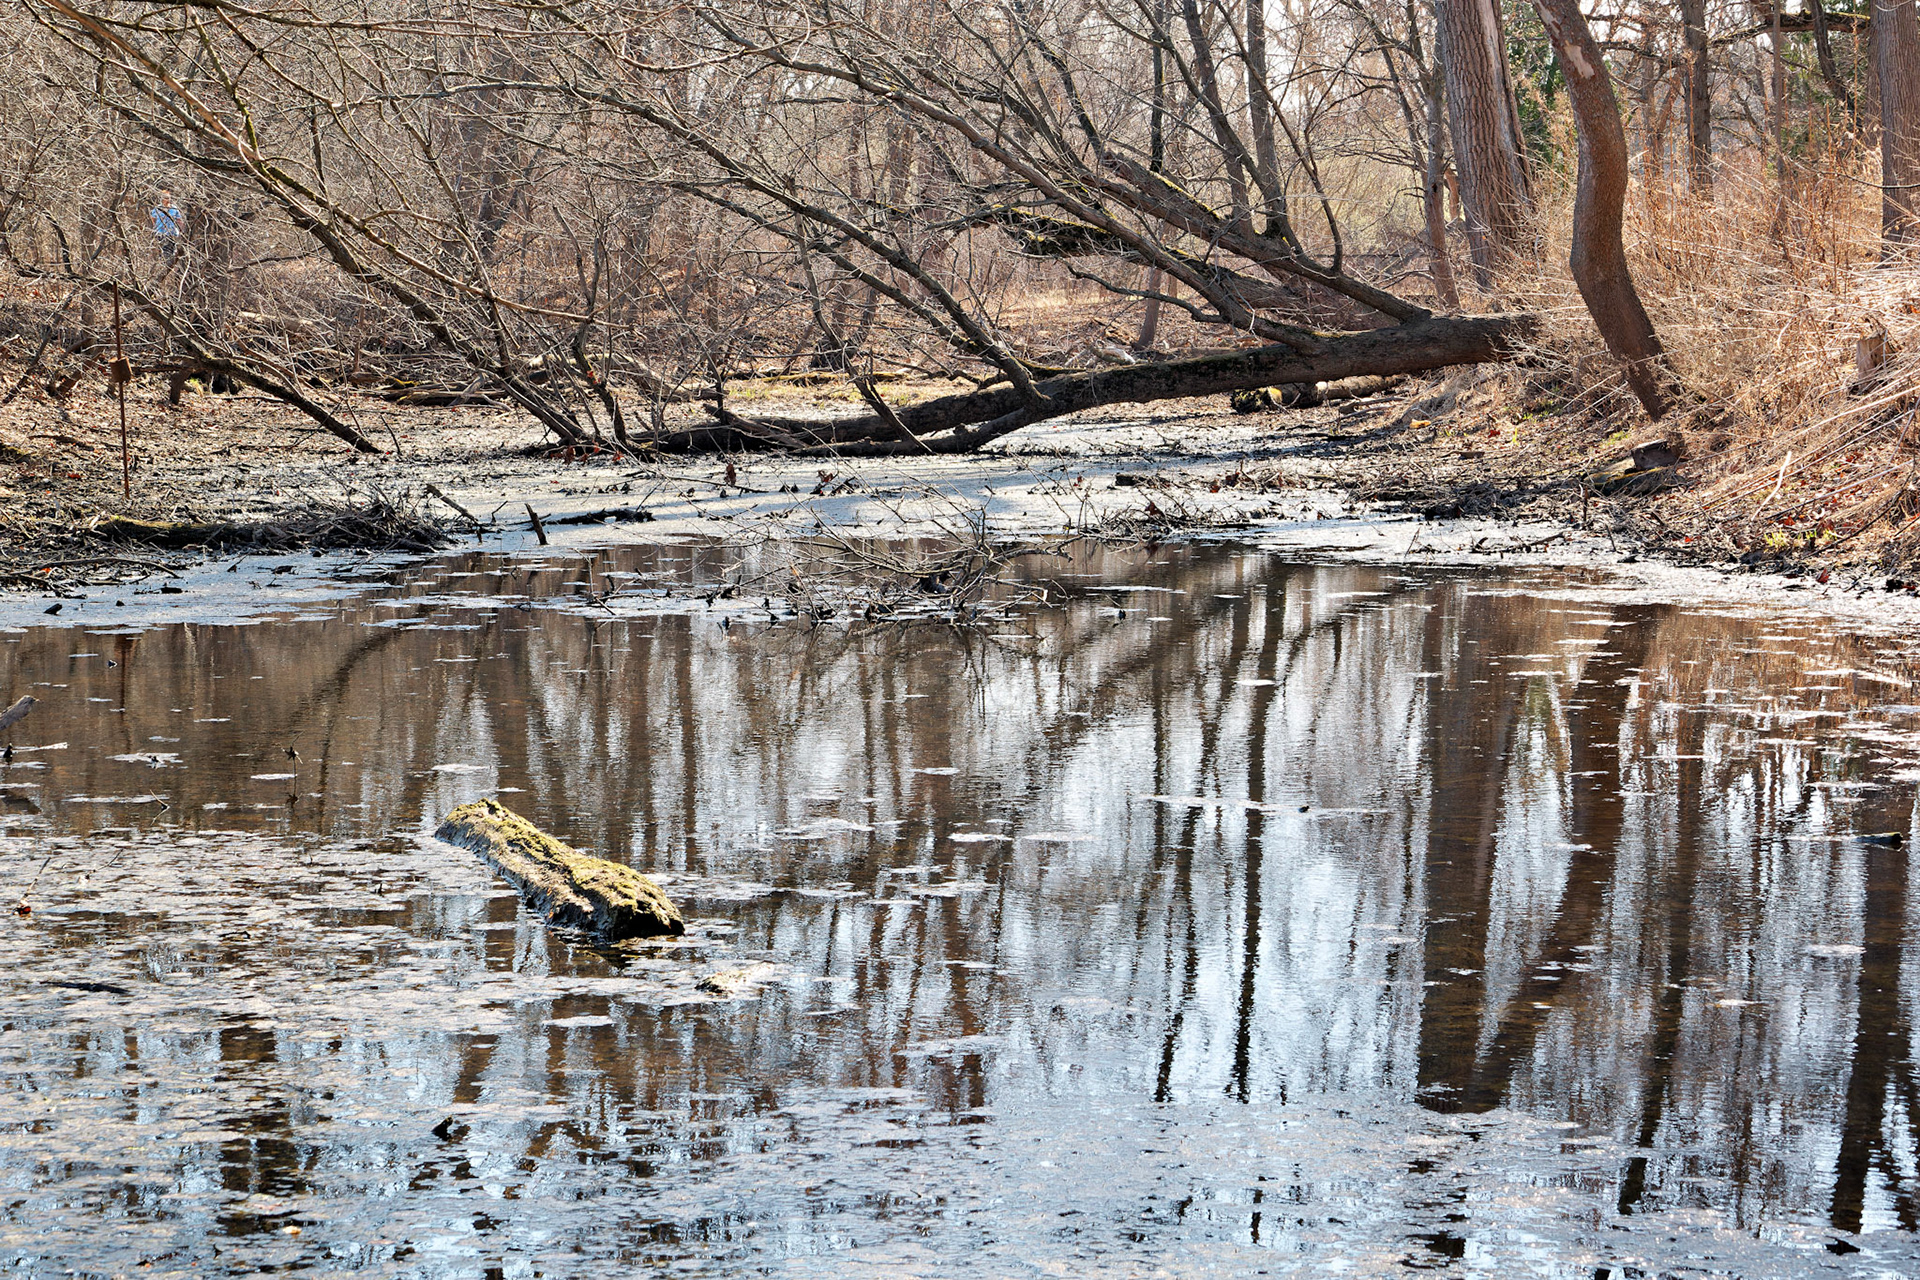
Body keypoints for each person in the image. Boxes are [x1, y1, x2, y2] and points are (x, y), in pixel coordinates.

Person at [150, 190, 183, 263]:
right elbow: (153, 219)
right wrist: (157, 227)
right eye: (166, 198)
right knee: (163, 251)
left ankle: (169, 265)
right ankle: (164, 264)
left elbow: (179, 220)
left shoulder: (174, 209)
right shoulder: (157, 209)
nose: (168, 200)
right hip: (161, 233)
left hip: (172, 233)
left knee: (171, 251)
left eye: (169, 198)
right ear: (162, 199)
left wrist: (181, 231)